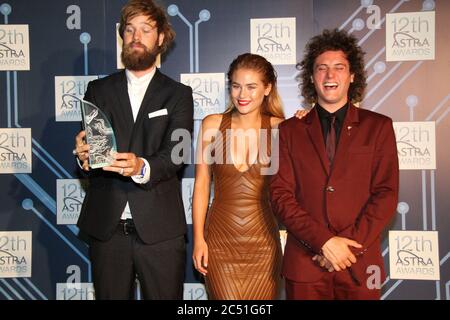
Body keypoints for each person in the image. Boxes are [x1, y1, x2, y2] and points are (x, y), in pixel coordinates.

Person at [73, 0, 193, 299]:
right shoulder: (98, 90)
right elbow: (94, 150)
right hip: (108, 228)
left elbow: (178, 155)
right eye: (129, 30)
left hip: (160, 231)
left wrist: (142, 166)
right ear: (122, 37)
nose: (136, 37)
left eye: (145, 30)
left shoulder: (178, 94)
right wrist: (85, 156)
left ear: (161, 38)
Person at [270, 28, 399, 300]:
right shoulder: (288, 131)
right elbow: (280, 196)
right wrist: (324, 242)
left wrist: (345, 248)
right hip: (305, 265)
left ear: (352, 76)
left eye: (339, 67)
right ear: (311, 77)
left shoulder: (379, 127)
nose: (330, 76)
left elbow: (385, 195)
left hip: (361, 265)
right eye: (322, 68)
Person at [192, 53, 284, 299]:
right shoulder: (212, 125)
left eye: (252, 87)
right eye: (236, 86)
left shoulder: (280, 128)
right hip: (220, 242)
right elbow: (201, 185)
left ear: (267, 88)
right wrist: (199, 239)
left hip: (264, 244)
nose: (242, 95)